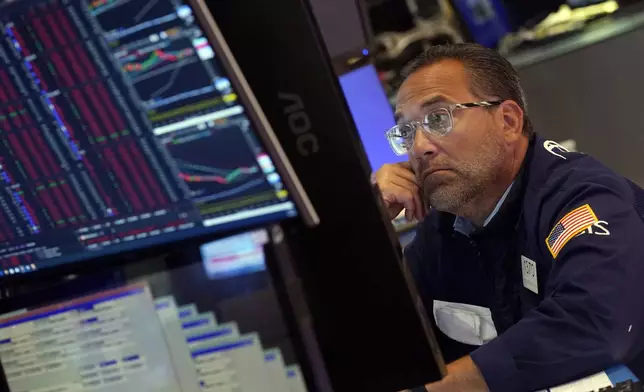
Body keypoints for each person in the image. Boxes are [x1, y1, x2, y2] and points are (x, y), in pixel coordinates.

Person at [374, 43, 644, 392]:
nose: (420, 147)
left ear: (508, 121)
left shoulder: (581, 198)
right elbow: (385, 346)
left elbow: (596, 323)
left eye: (438, 118)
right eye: (406, 132)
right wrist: (369, 233)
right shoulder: (441, 230)